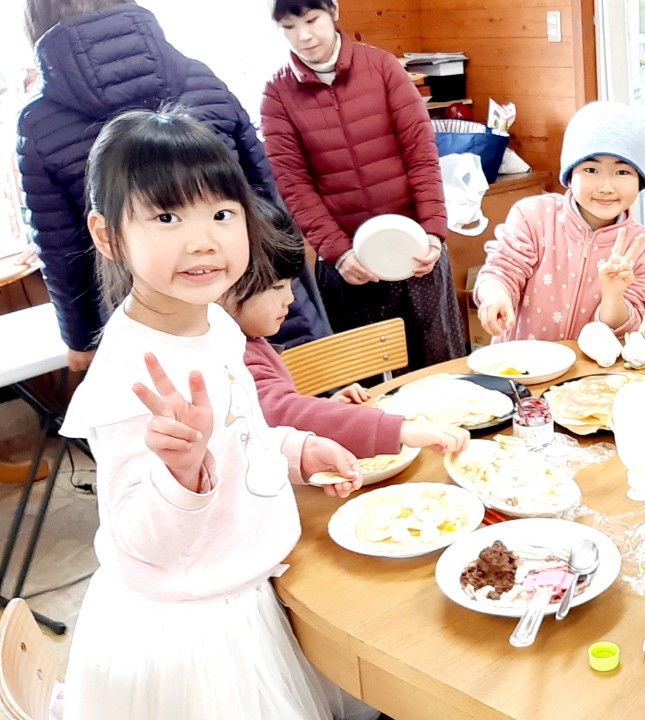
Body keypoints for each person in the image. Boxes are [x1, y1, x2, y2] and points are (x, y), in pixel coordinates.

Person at [59, 110, 376, 720]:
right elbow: (141, 542)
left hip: (250, 581)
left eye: (223, 214)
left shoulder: (216, 324)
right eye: (167, 217)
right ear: (108, 236)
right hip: (198, 633)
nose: (203, 240)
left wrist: (296, 451)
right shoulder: (130, 379)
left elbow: (242, 436)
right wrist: (179, 474)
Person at [16, 0, 331, 373]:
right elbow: (267, 197)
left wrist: (80, 340)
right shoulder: (200, 77)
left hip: (156, 315)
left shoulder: (38, 124)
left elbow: (62, 249)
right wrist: (293, 286)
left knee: (200, 405)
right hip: (257, 288)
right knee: (306, 395)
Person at [261, 0, 465, 370]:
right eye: (289, 27)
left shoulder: (382, 67)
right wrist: (337, 252)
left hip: (415, 249)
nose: (304, 36)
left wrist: (433, 233)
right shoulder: (277, 94)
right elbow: (294, 186)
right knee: (366, 381)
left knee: (438, 369)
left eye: (312, 20)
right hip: (349, 263)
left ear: (333, 11)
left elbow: (421, 154)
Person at [221, 210, 469, 459]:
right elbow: (281, 410)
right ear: (223, 290)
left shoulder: (248, 339)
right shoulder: (229, 356)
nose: (290, 298)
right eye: (277, 287)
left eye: (289, 285)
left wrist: (327, 408)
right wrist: (399, 430)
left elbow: (275, 424)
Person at [474, 101, 645, 342]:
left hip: (588, 366)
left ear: (640, 180)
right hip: (521, 360)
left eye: (622, 172)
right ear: (570, 176)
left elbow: (621, 327)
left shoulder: (642, 245)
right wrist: (496, 295)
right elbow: (503, 269)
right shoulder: (532, 216)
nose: (606, 187)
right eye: (591, 170)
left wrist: (613, 296)